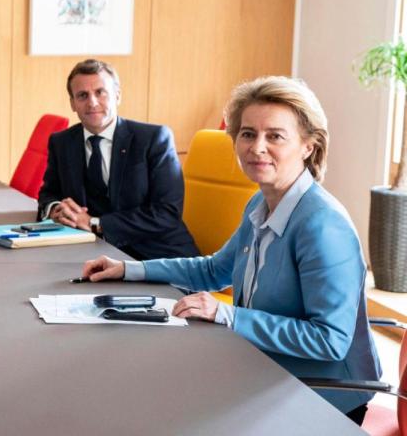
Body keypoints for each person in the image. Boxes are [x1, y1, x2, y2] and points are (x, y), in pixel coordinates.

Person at [81, 76, 381, 424]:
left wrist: (228, 315)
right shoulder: (261, 202)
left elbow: (329, 341)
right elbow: (212, 271)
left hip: (322, 394)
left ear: (308, 147)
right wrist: (129, 269)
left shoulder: (322, 226)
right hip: (262, 367)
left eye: (275, 136)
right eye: (248, 133)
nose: (257, 147)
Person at [38, 59, 197, 260]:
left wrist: (95, 223)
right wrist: (55, 210)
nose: (92, 102)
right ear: (72, 103)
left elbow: (167, 213)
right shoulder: (62, 142)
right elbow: (49, 193)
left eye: (100, 92)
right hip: (89, 255)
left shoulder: (154, 139)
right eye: (82, 95)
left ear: (117, 96)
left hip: (157, 255)